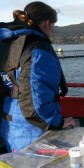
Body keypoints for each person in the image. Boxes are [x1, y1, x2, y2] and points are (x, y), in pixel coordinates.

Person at [0, 1, 76, 152]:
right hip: (32, 130)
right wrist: (58, 122)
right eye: (53, 25)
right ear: (47, 23)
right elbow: (35, 97)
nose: (53, 30)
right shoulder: (37, 47)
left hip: (9, 122)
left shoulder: (7, 42)